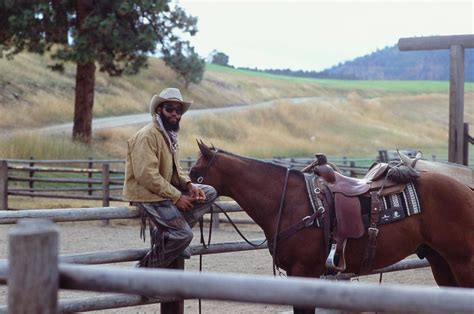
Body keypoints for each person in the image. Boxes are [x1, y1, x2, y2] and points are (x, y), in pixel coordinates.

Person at [123, 87, 217, 268]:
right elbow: (147, 175)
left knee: (209, 192)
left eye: (178, 110)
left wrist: (189, 185)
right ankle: (143, 271)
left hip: (162, 191)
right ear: (159, 110)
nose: (175, 113)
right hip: (147, 194)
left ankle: (170, 236)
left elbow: (177, 169)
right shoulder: (147, 136)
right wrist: (176, 196)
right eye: (170, 109)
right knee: (184, 235)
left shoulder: (169, 135)